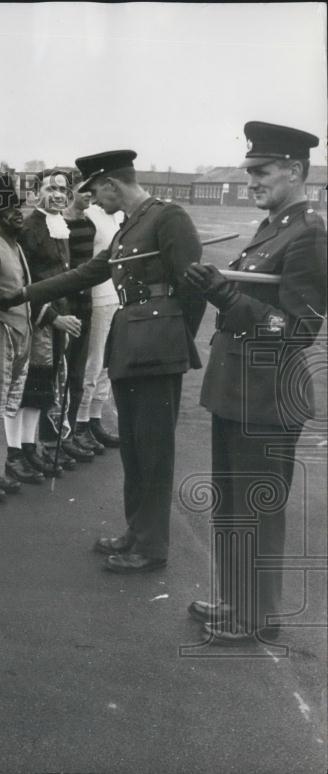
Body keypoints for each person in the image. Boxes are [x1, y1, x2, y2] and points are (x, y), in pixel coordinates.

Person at [0, 150, 205, 573]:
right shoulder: (131, 225)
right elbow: (88, 273)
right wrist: (21, 295)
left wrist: (174, 341)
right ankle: (136, 531)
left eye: (92, 190)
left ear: (111, 183)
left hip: (158, 352)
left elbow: (193, 286)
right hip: (131, 347)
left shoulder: (169, 218)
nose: (88, 199)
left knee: (154, 450)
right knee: (134, 447)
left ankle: (152, 546)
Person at [185, 121, 326, 644]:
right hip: (238, 391)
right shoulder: (275, 226)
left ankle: (256, 614)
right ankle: (235, 599)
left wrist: (225, 297)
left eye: (261, 172)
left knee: (257, 508)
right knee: (231, 502)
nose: (251, 183)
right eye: (249, 173)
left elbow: (299, 329)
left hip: (267, 396)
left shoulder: (309, 233)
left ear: (294, 170)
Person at [0, 173, 42, 487]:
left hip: (19, 336)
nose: (18, 213)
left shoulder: (15, 246)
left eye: (19, 207)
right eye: (9, 209)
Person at [17, 169, 85, 478]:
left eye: (63, 189)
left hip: (58, 317)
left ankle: (33, 447)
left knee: (43, 387)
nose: (58, 194)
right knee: (27, 387)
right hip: (38, 319)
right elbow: (25, 281)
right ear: (35, 193)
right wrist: (54, 317)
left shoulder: (60, 225)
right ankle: (18, 452)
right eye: (51, 188)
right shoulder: (29, 227)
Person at [73, 202, 123, 451]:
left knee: (107, 362)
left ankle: (95, 420)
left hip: (118, 295)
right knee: (93, 361)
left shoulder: (120, 215)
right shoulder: (90, 215)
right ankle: (80, 423)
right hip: (97, 297)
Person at [60, 177, 101, 459]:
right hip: (64, 307)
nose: (89, 194)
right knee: (58, 377)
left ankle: (70, 435)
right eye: (84, 189)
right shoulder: (59, 225)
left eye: (92, 190)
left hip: (85, 306)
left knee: (76, 376)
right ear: (70, 191)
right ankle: (52, 440)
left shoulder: (89, 223)